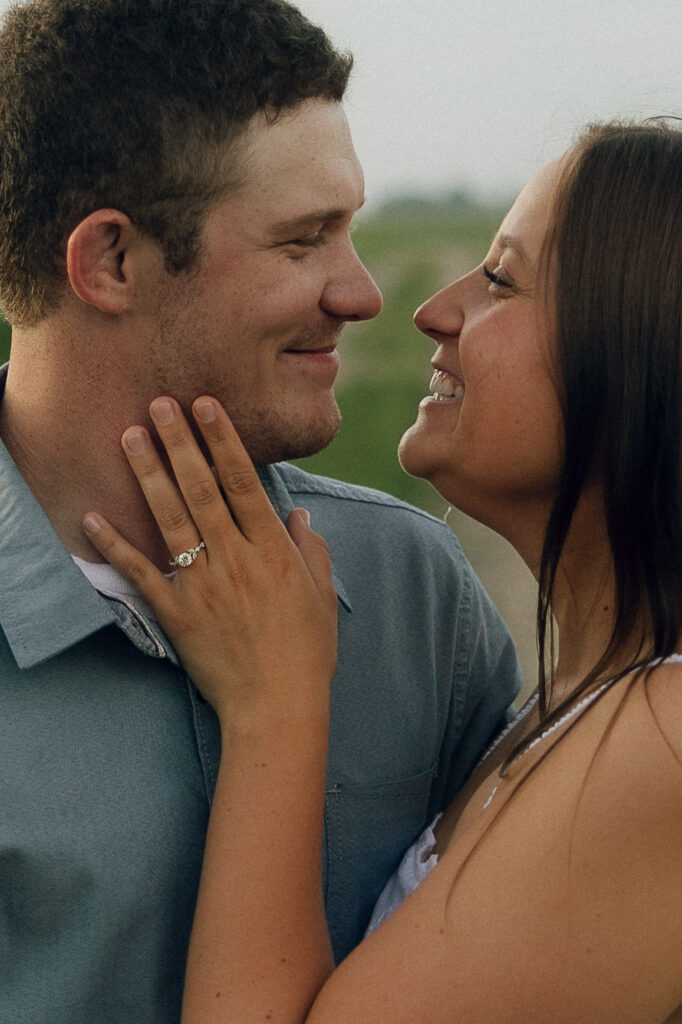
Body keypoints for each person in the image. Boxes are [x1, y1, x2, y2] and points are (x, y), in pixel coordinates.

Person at [87, 118, 682, 1023]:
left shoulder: (663, 746)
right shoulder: (588, 705)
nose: (431, 309)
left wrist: (275, 706)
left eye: (500, 281)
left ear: (639, 354)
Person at [0, 0, 520, 1019]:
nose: (364, 291)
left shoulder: (413, 593)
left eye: (352, 230)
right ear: (108, 261)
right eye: (304, 239)